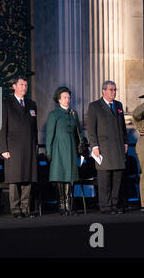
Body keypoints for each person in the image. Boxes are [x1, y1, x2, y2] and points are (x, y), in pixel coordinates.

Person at [0, 76, 38, 218]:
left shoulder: (31, 104)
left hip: (29, 146)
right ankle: (15, 208)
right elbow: (2, 127)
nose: (24, 88)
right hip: (13, 147)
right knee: (14, 178)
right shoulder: (6, 103)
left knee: (28, 177)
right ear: (14, 86)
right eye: (21, 85)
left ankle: (25, 207)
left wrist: (36, 146)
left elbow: (34, 129)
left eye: (26, 85)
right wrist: (3, 149)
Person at [86, 80, 128, 215]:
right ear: (103, 91)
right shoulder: (94, 106)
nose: (113, 92)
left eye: (115, 90)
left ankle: (114, 205)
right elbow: (91, 130)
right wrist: (94, 147)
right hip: (103, 148)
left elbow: (123, 127)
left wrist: (125, 143)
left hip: (118, 147)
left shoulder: (118, 105)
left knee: (117, 178)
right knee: (104, 179)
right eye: (111, 90)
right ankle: (105, 206)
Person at [46, 87, 84, 216]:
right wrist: (48, 152)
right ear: (59, 99)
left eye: (68, 97)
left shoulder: (73, 114)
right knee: (60, 177)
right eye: (64, 98)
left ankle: (69, 205)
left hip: (71, 147)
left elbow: (79, 131)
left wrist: (82, 147)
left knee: (70, 176)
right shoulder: (54, 114)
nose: (67, 100)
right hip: (58, 149)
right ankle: (61, 205)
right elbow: (49, 134)